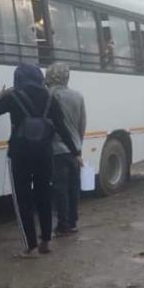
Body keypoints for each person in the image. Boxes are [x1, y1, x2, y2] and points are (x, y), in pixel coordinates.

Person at [0, 64, 82, 258]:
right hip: (45, 154)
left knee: (23, 200)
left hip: (19, 155)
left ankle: (30, 246)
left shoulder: (12, 96)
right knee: (44, 196)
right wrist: (75, 151)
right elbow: (61, 128)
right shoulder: (49, 98)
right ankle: (46, 241)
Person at [46, 63, 86, 236]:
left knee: (60, 188)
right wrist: (78, 146)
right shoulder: (77, 96)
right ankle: (73, 222)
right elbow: (82, 123)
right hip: (74, 149)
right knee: (73, 188)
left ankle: (62, 225)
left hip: (56, 149)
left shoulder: (49, 95)